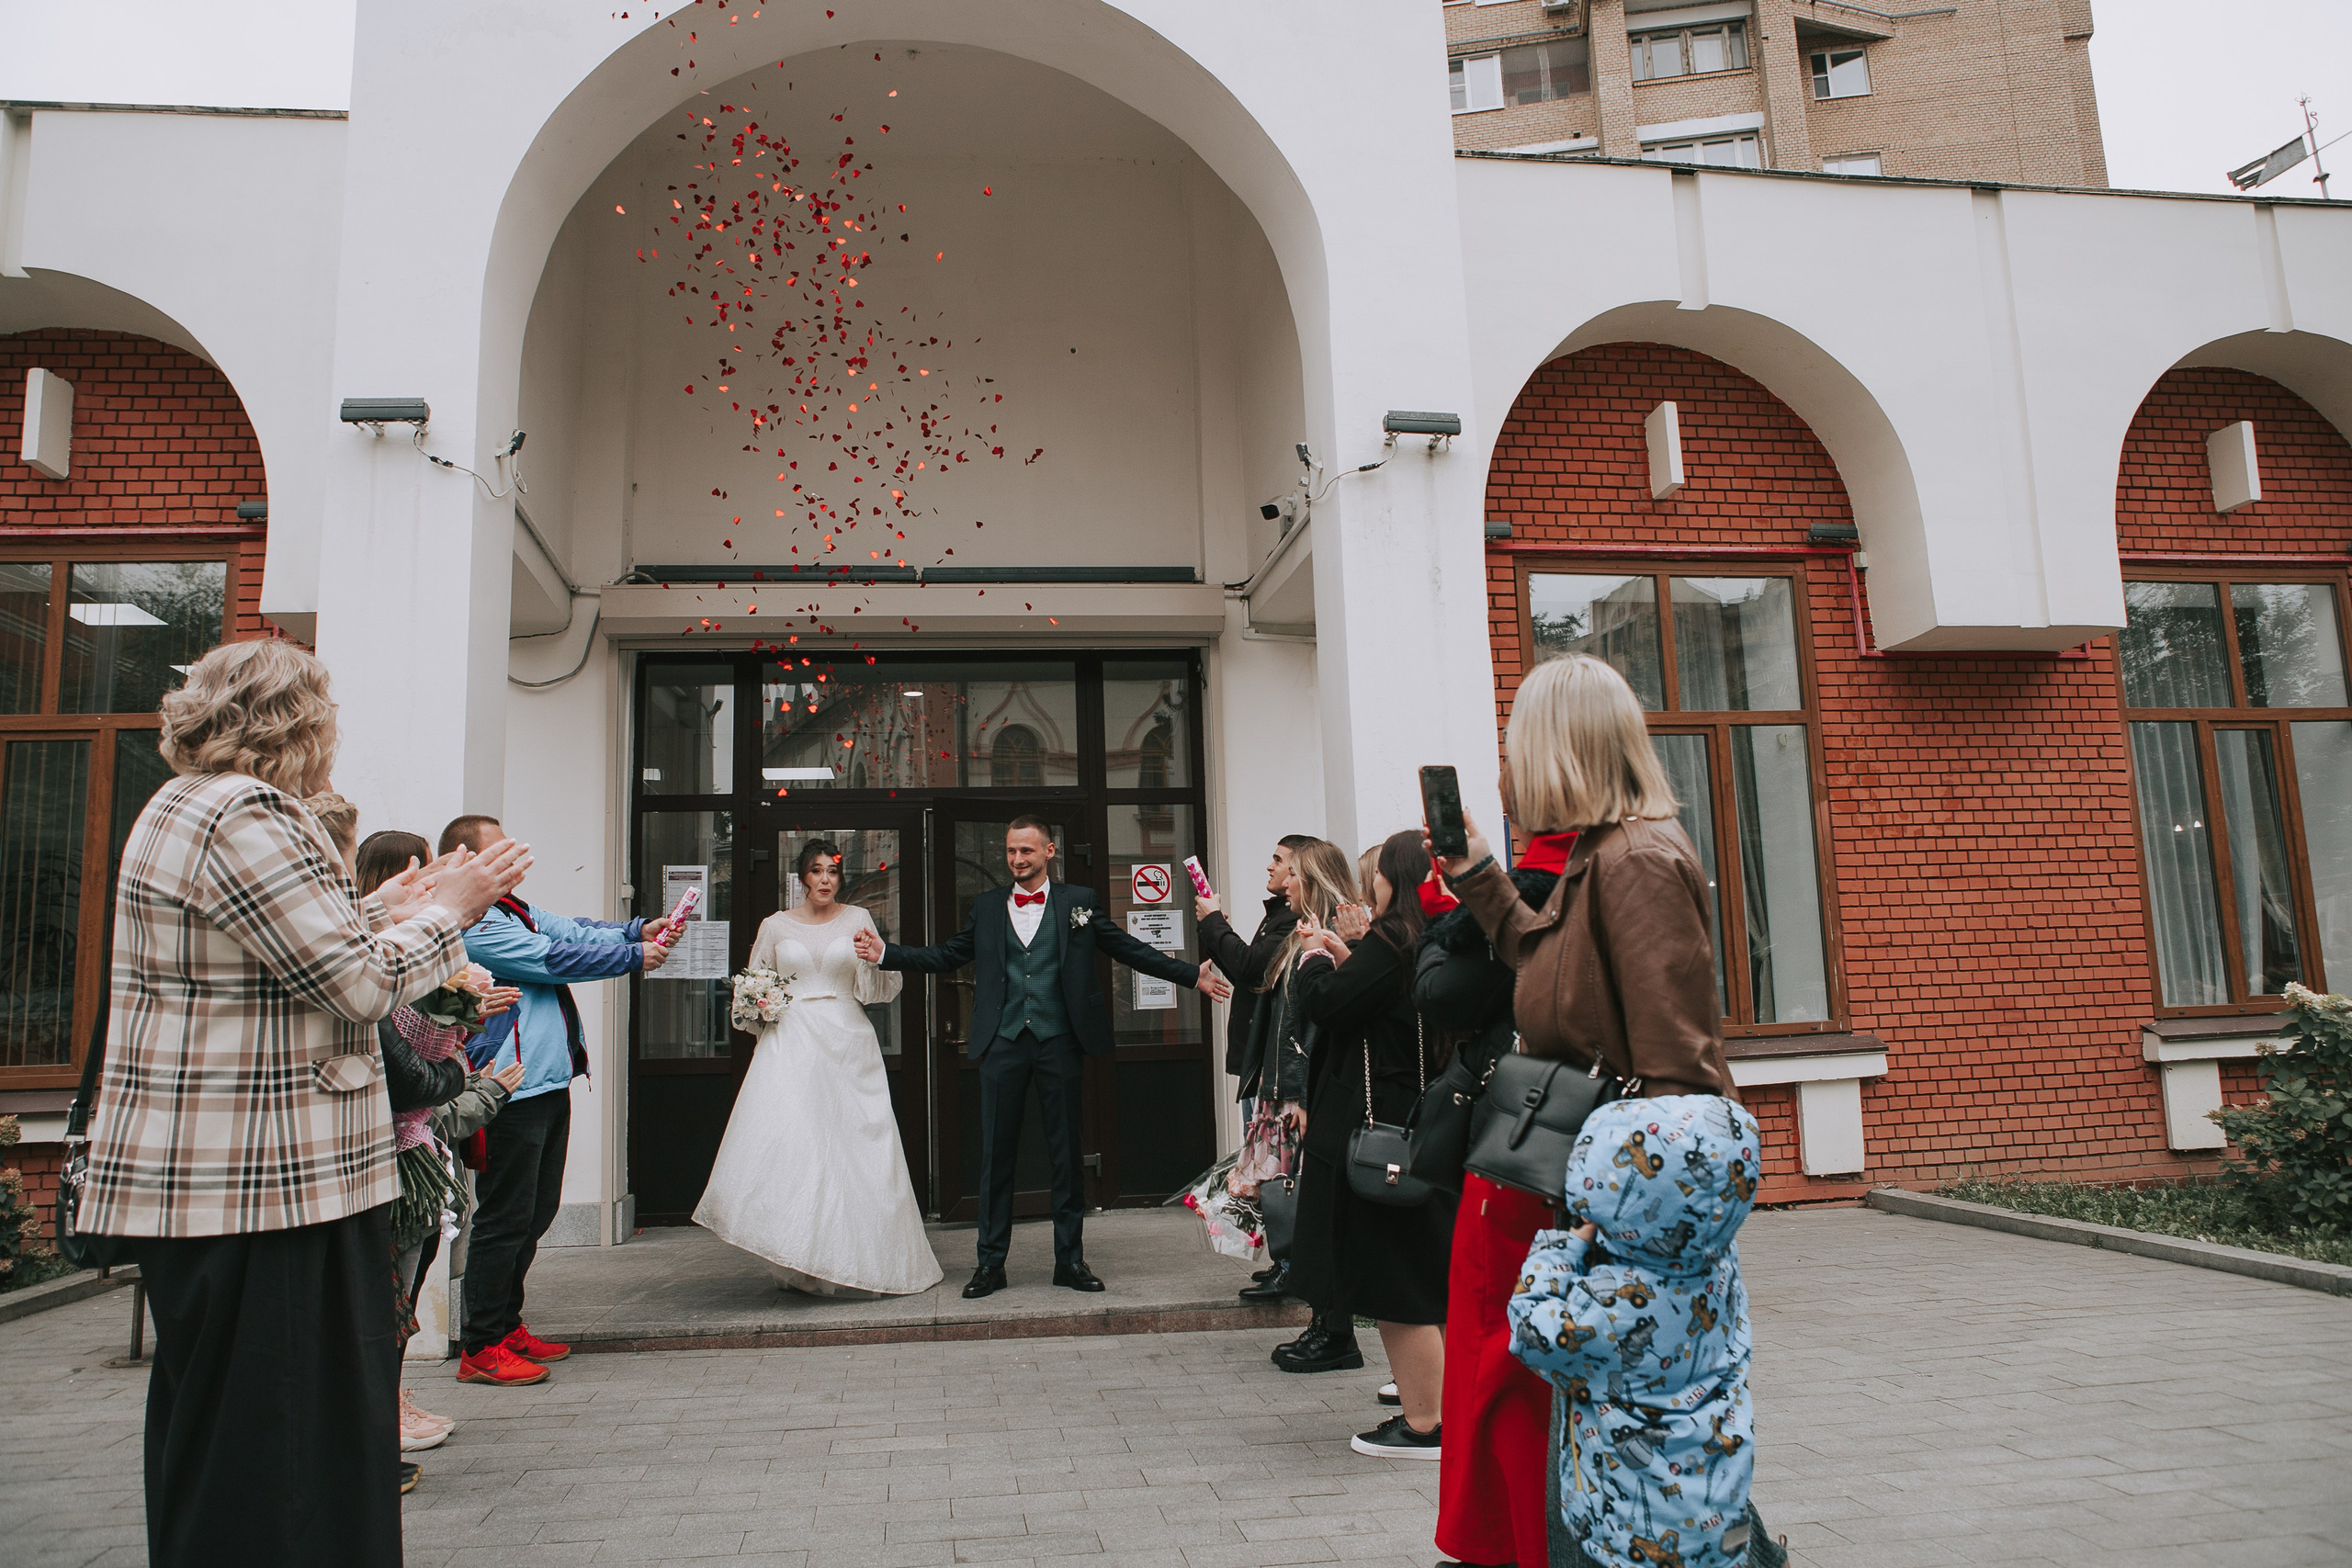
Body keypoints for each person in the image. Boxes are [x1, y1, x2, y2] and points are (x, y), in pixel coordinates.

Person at [79, 639, 528, 1568]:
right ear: (301, 725)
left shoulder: (181, 804)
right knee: (284, 1449)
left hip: (223, 1185)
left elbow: (270, 963)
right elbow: (356, 989)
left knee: (232, 1440)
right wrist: (452, 911)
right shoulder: (248, 810)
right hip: (266, 1185)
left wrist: (383, 914)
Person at [1428, 651, 1747, 1565]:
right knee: (1543, 1437)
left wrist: (1602, 1246)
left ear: (1558, 749)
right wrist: (1478, 875)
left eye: (1514, 744)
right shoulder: (1604, 854)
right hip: (1557, 1186)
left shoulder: (1637, 860)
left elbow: (1677, 1071)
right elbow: (1544, 968)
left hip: (1583, 1205)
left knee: (1573, 1449)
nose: (1503, 767)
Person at [854, 816, 1233, 1297]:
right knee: (996, 1157)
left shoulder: (1079, 902)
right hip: (1003, 1043)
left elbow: (1127, 948)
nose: (1017, 860)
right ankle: (990, 1264)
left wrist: (1188, 975)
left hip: (1060, 1041)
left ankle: (1069, 1261)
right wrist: (888, 953)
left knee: (1065, 1155)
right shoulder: (988, 907)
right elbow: (948, 954)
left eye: (1027, 851)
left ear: (1049, 852)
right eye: (1011, 851)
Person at [440, 813, 675, 1386]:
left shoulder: (514, 907)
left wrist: (632, 931)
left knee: (535, 1214)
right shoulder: (474, 923)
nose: (515, 862)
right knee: (503, 1218)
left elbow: (569, 931)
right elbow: (550, 959)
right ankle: (482, 1345)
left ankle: (507, 1325)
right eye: (500, 854)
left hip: (545, 1083)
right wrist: (631, 958)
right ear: (463, 861)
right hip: (505, 1091)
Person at [1507, 1097, 1784, 1568]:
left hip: (1629, 1524)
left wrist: (1561, 1248)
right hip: (1717, 1500)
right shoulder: (1718, 1266)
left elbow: (1533, 1332)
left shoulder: (1609, 1304)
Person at [695, 840, 943, 1295]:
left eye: (832, 871)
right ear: (802, 878)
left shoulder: (857, 919)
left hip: (847, 1041)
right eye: (816, 871)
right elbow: (752, 985)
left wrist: (875, 956)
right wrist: (759, 1005)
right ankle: (802, 1253)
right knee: (798, 1146)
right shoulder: (774, 925)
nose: (825, 879)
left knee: (856, 1147)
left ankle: (861, 1256)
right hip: (790, 1043)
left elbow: (880, 984)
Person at [356, 829, 524, 1465]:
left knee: (409, 1280)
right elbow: (411, 1075)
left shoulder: (414, 954)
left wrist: (462, 1012)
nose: (427, 886)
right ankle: (379, 1416)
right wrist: (462, 1077)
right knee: (389, 1294)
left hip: (420, 1142)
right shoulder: (377, 959)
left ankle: (392, 1400)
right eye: (416, 876)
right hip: (400, 1144)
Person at [1285, 830, 1454, 1461]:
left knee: (1395, 1285)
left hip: (1376, 1136)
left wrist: (1316, 960)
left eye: (1377, 873)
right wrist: (1346, 950)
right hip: (1417, 1124)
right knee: (1418, 1278)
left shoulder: (1392, 941)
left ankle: (1425, 1422)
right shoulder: (1424, 938)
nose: (1368, 885)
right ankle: (1437, 1408)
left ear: (1396, 879)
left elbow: (1330, 1005)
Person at [1417, 851, 1561, 1568]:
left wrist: (1441, 918)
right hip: (1577, 1144)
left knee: (1498, 1352)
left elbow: (1442, 995)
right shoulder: (1623, 864)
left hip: (1528, 1145)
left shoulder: (1549, 882)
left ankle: (1503, 1541)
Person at [1196, 834, 1317, 1302]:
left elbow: (1249, 968)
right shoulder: (1280, 918)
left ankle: (1290, 1265)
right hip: (1263, 1063)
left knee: (1278, 1169)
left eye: (1278, 860)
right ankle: (1283, 1262)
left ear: (1299, 871)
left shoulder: (1295, 924)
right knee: (1267, 1166)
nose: (1269, 867)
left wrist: (1214, 921)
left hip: (1276, 1069)